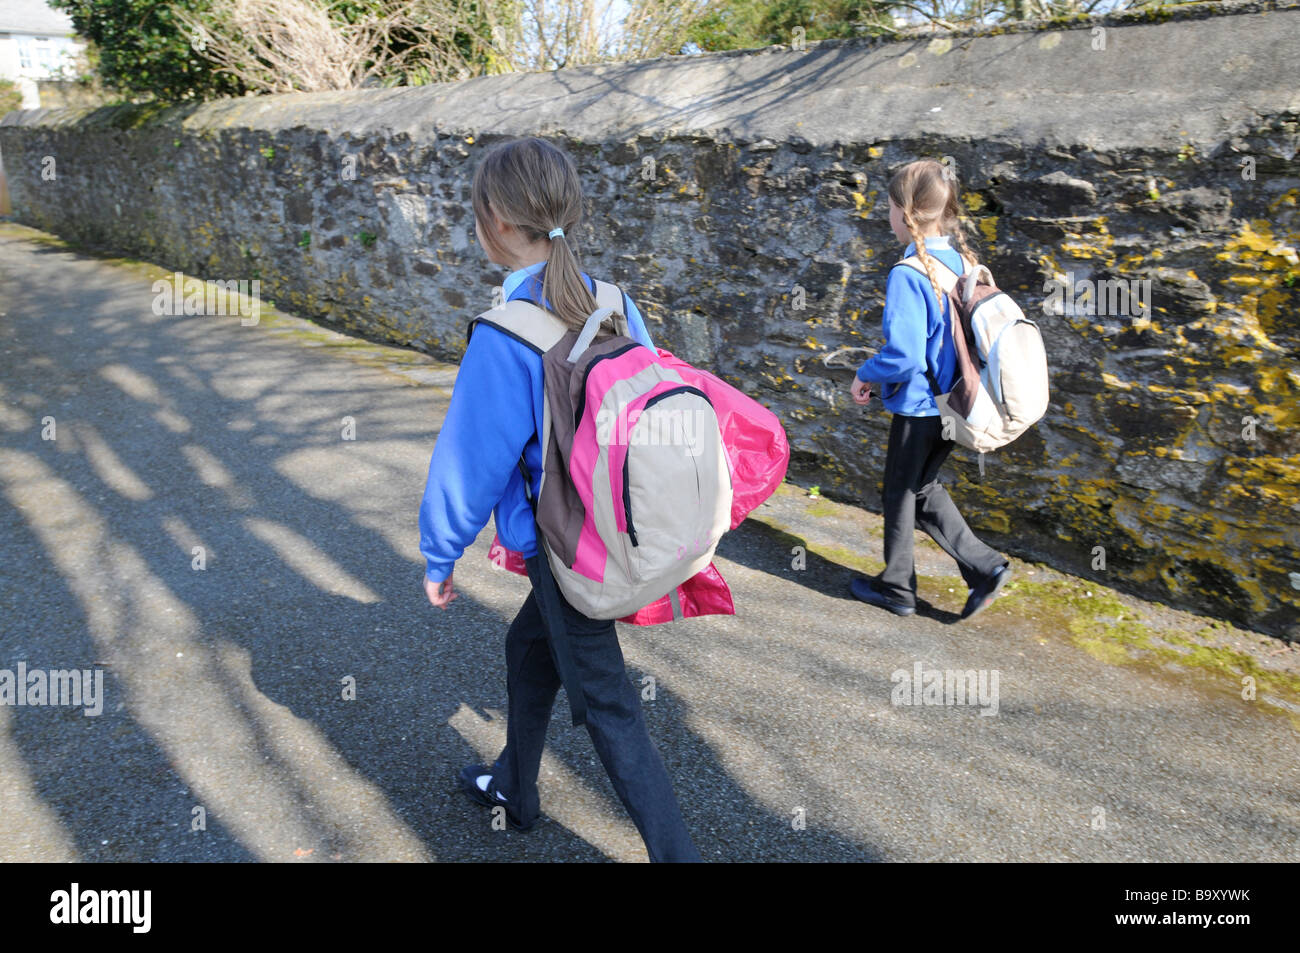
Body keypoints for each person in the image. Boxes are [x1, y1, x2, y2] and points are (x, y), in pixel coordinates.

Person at [418, 136, 702, 862]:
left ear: (497, 221)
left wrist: (439, 553)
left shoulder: (506, 333)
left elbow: (469, 459)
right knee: (527, 647)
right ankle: (515, 784)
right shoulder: (613, 301)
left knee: (610, 706)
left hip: (566, 542)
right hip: (617, 521)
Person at [849, 159, 1012, 621]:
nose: (887, 216)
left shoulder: (908, 272)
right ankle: (985, 568)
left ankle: (897, 588)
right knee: (921, 488)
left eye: (888, 207)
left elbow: (904, 355)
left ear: (904, 211)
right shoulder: (960, 261)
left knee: (900, 493)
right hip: (954, 401)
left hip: (920, 404)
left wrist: (865, 374)